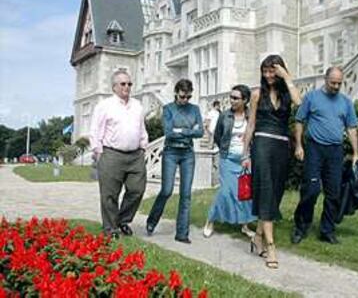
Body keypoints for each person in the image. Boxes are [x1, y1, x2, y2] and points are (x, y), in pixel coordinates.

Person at [242, 55, 302, 269]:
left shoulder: (287, 94)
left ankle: (257, 236)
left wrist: (287, 77)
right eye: (265, 71)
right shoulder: (257, 94)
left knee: (275, 194)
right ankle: (271, 246)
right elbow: (250, 126)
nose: (268, 75)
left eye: (272, 71)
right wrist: (245, 154)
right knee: (267, 191)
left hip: (282, 147)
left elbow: (299, 103)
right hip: (261, 145)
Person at [291, 66, 358, 245]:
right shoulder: (312, 97)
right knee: (311, 190)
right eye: (333, 83)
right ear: (325, 79)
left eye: (339, 83)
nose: (336, 86)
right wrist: (299, 145)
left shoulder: (346, 102)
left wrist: (356, 153)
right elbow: (299, 121)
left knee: (334, 193)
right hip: (314, 149)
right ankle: (301, 227)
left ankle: (327, 230)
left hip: (335, 151)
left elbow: (351, 128)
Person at [89, 70, 148, 239]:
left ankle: (122, 220)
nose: (127, 87)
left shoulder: (137, 105)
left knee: (137, 190)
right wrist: (98, 152)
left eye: (129, 84)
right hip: (111, 154)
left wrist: (143, 146)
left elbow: (142, 128)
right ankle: (110, 228)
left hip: (135, 155)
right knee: (109, 194)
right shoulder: (104, 106)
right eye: (123, 84)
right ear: (114, 87)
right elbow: (95, 131)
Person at [146, 79, 204, 244]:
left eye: (188, 97)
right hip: (171, 152)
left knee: (186, 194)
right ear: (176, 93)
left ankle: (182, 233)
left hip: (187, 154)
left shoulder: (195, 109)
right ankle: (152, 221)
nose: (185, 100)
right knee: (167, 190)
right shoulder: (168, 109)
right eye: (182, 96)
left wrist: (181, 130)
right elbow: (169, 133)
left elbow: (200, 132)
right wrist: (189, 131)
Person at [203, 85, 256, 239]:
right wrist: (225, 150)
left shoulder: (251, 116)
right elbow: (218, 135)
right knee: (225, 192)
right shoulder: (224, 116)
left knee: (244, 192)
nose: (231, 100)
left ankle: (244, 225)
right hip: (228, 159)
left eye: (235, 98)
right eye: (231, 97)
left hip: (245, 160)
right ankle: (210, 220)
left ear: (245, 100)